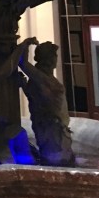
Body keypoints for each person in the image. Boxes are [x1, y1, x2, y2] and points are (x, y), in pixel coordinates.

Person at [18, 37, 75, 167]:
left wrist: (24, 85)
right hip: (53, 133)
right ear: (50, 60)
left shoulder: (43, 80)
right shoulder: (44, 80)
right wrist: (26, 44)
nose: (56, 59)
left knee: (55, 162)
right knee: (57, 165)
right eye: (55, 56)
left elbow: (38, 99)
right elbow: (23, 63)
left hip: (54, 131)